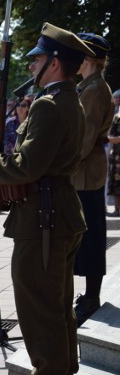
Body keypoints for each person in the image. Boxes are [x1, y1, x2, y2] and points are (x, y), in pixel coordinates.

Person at [0, 22, 94, 375]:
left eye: (38, 59)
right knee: (58, 306)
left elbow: (26, 167)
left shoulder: (48, 103)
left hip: (43, 217)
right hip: (58, 212)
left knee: (39, 309)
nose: (31, 66)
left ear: (56, 63)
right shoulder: (70, 99)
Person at [72, 33, 114, 327]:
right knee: (86, 236)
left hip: (85, 174)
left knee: (92, 236)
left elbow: (84, 140)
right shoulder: (88, 86)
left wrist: (62, 163)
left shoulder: (95, 89)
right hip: (83, 173)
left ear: (87, 58)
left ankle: (91, 297)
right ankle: (88, 294)